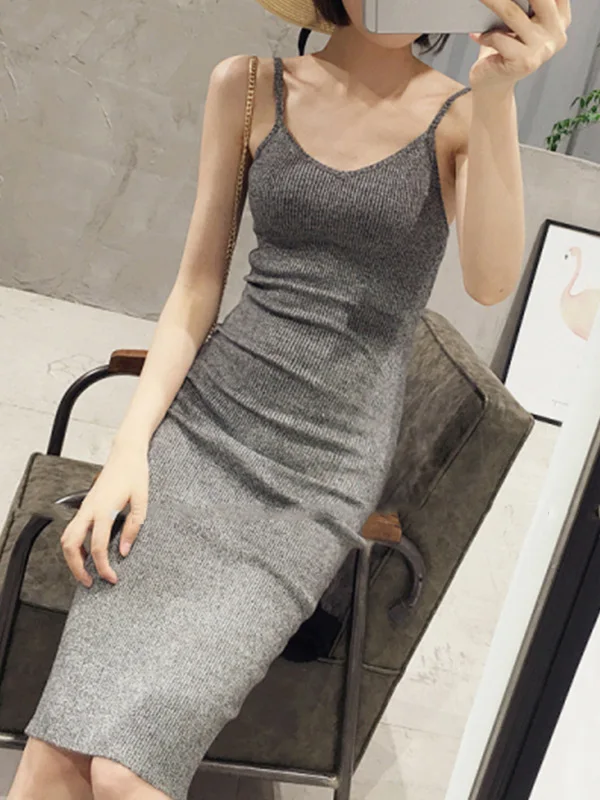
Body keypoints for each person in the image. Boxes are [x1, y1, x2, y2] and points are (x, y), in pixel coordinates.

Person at [9, 0, 571, 798]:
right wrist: (129, 450)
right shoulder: (248, 85)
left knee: (127, 772)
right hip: (204, 432)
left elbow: (490, 279)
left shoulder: (456, 116)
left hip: (317, 476)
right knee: (52, 757)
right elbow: (196, 286)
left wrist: (499, 94)